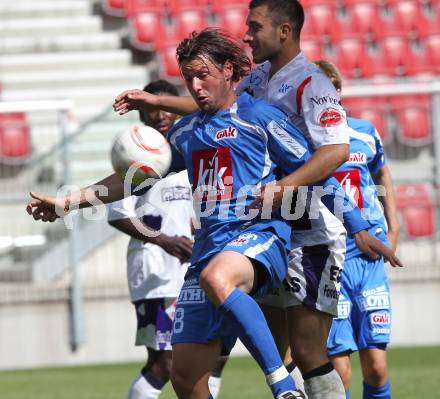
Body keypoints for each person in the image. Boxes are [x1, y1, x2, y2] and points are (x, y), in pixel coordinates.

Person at [28, 29, 400, 399]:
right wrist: (67, 203)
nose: (194, 85)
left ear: (227, 70)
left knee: (222, 279)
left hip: (261, 237)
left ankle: (284, 387)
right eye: (188, 77)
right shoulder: (187, 131)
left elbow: (315, 172)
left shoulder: (260, 117)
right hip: (209, 248)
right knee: (185, 377)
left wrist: (358, 226)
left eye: (202, 74)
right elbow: (132, 179)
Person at [107, 79, 227, 399]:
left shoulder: (186, 149)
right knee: (164, 363)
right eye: (151, 109)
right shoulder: (135, 156)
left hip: (190, 271)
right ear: (141, 114)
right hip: (155, 273)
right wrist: (164, 241)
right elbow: (117, 214)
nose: (160, 115)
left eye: (165, 107)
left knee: (213, 356)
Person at [315, 60, 398, 399]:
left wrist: (393, 229)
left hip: (368, 258)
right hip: (330, 258)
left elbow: (382, 174)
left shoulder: (365, 132)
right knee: (340, 369)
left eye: (331, 88)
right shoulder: (307, 140)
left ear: (339, 91)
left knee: (377, 367)